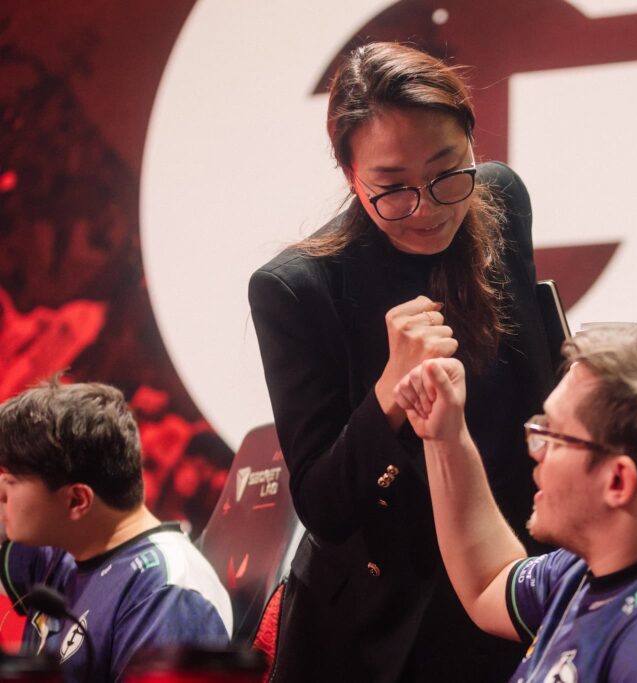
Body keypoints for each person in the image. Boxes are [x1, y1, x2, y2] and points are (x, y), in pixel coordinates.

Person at [247, 42, 555, 681]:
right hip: (383, 627)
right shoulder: (299, 288)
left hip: (518, 579)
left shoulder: (499, 200)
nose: (429, 207)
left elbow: (534, 384)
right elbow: (325, 509)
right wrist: (388, 393)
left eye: (448, 171)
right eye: (392, 189)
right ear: (351, 176)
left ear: (472, 138)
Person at [394, 325, 637, 682]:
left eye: (553, 435)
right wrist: (444, 436)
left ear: (617, 481)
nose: (536, 451)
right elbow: (488, 583)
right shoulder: (594, 566)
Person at [0, 380, 232, 683]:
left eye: (10, 483)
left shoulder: (165, 593)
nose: (1, 496)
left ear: (76, 500)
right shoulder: (64, 550)